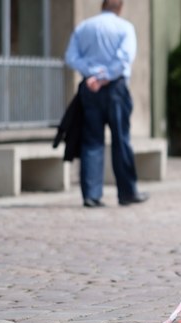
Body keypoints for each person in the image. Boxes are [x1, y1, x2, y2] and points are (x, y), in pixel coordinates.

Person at [65, 0, 148, 208]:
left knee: (91, 141)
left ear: (102, 6)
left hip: (90, 89)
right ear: (120, 8)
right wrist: (104, 76)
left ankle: (91, 195)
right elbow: (124, 59)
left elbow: (71, 57)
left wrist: (92, 74)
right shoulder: (125, 28)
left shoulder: (84, 26)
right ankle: (127, 192)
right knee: (121, 139)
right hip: (115, 89)